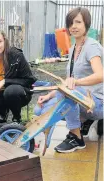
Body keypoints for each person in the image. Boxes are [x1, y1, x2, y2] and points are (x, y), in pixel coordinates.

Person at [34, 7, 103, 153]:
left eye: (78, 22)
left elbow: (100, 75)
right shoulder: (72, 48)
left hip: (96, 102)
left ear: (87, 24)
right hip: (81, 98)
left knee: (67, 93)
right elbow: (68, 81)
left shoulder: (92, 46)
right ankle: (82, 122)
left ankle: (76, 137)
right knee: (40, 109)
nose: (74, 26)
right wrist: (49, 95)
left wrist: (76, 83)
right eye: (71, 23)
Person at [0, 28, 37, 123]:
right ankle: (3, 113)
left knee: (10, 92)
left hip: (19, 93)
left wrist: (5, 81)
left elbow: (29, 80)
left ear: (5, 41)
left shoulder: (16, 56)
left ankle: (16, 118)